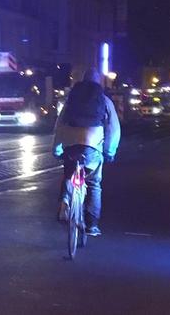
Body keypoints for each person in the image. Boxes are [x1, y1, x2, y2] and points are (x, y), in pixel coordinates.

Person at [52, 68, 121, 237]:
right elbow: (113, 129)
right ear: (99, 82)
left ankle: (66, 199)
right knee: (93, 184)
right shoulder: (104, 101)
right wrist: (109, 151)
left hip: (70, 145)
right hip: (92, 147)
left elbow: (59, 125)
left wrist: (57, 148)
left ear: (82, 80)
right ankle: (91, 226)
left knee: (68, 174)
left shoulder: (72, 99)